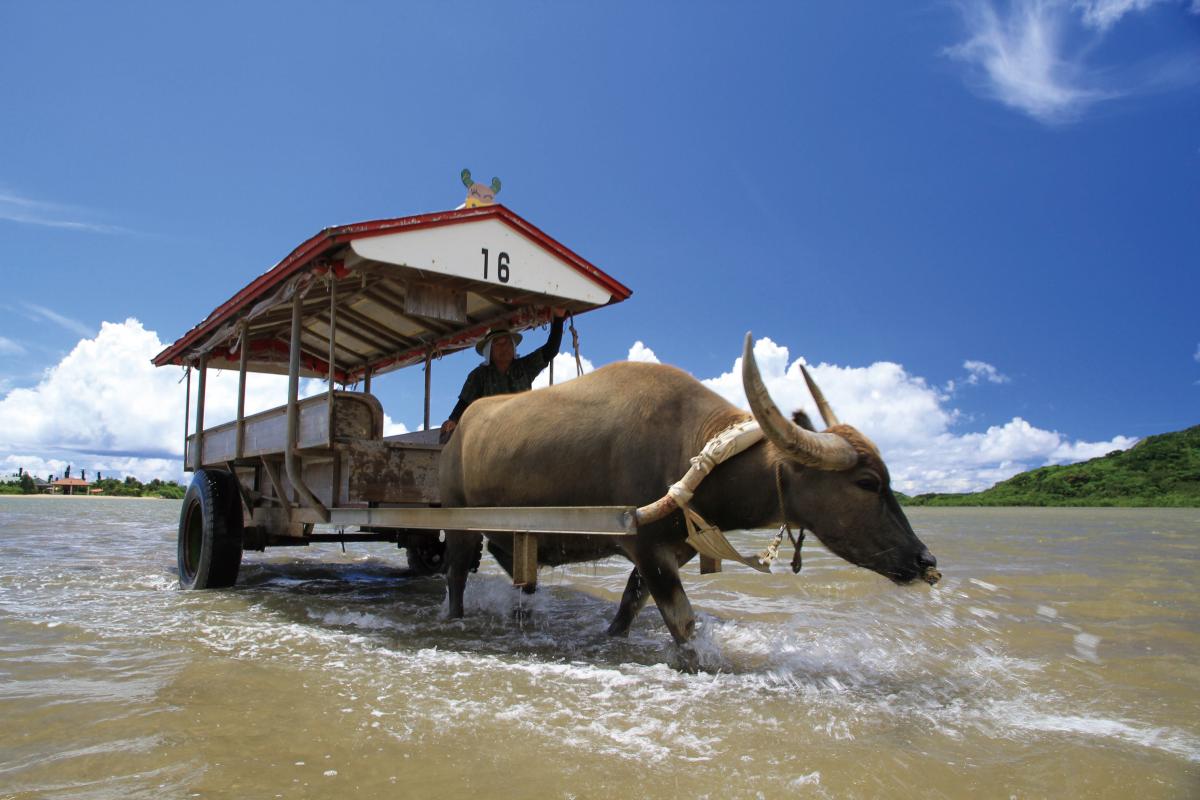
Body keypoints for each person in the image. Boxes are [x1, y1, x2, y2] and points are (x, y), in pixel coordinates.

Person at [439, 308, 566, 442]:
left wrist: (558, 318)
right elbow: (463, 403)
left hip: (522, 432)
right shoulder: (479, 375)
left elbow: (551, 350)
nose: (503, 347)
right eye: (497, 344)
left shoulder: (525, 367)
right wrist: (452, 420)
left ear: (513, 346)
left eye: (507, 342)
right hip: (490, 436)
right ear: (489, 351)